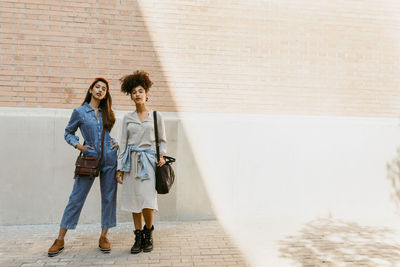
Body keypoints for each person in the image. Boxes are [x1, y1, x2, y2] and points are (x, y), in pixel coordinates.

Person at [48, 78, 118, 257]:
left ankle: (104, 236)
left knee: (109, 198)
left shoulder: (106, 112)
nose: (100, 90)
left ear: (105, 94)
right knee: (76, 198)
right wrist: (79, 146)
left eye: (104, 88)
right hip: (89, 158)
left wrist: (115, 143)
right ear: (91, 89)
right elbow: (68, 132)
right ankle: (60, 238)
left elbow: (107, 134)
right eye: (97, 87)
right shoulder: (79, 112)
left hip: (109, 159)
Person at [116, 70, 167, 254]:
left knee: (147, 200)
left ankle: (148, 233)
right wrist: (120, 168)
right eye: (134, 92)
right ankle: (138, 236)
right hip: (131, 163)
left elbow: (161, 140)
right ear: (131, 96)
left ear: (147, 94)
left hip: (149, 163)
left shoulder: (156, 116)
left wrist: (161, 156)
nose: (137, 94)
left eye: (140, 91)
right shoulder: (127, 118)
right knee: (134, 201)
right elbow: (123, 143)